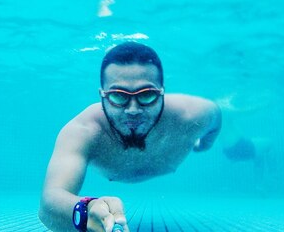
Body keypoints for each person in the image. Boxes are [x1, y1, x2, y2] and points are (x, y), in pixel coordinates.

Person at [38, 42, 223, 232]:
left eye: (147, 95)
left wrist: (204, 144)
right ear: (102, 95)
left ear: (161, 92)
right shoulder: (83, 131)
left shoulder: (194, 115)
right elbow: (48, 204)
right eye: (118, 96)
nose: (133, 110)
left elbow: (216, 119)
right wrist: (87, 208)